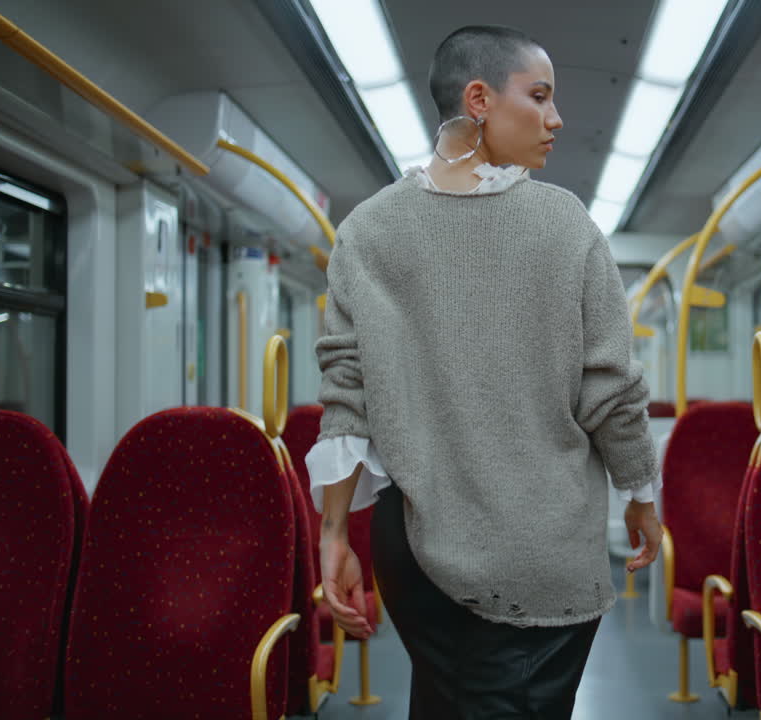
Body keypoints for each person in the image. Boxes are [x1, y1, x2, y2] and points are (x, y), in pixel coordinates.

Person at [307, 24, 661, 718]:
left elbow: (346, 394)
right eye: (539, 96)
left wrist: (333, 535)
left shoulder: (367, 231)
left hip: (411, 545)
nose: (556, 119)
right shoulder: (566, 227)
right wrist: (641, 493)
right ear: (478, 99)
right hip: (539, 546)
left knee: (445, 699)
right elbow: (611, 389)